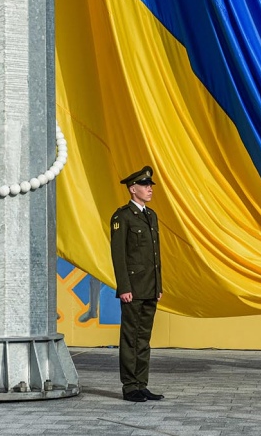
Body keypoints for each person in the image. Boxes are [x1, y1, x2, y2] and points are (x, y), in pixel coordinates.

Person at [111, 166, 164, 402]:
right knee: (131, 337)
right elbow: (119, 256)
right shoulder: (122, 217)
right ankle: (130, 386)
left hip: (150, 287)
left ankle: (141, 384)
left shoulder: (151, 216)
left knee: (143, 338)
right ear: (133, 189)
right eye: (145, 185)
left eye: (150, 185)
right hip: (132, 288)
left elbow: (155, 257)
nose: (149, 189)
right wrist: (124, 288)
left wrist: (158, 286)